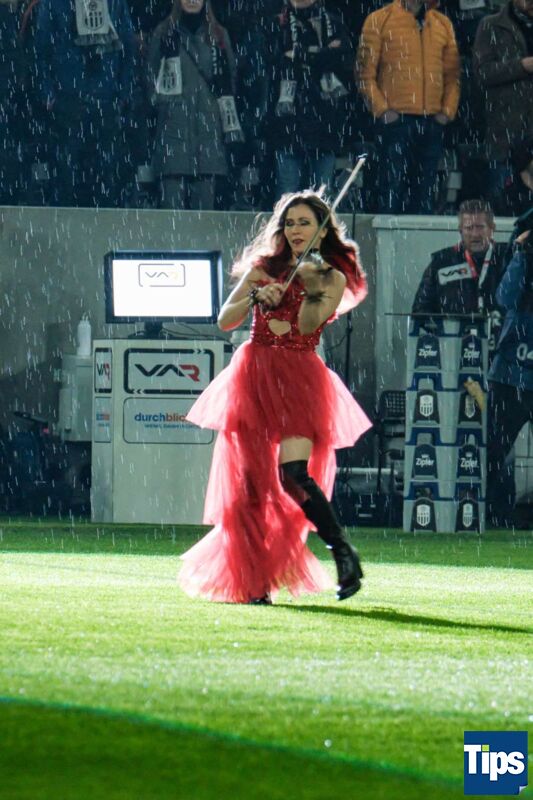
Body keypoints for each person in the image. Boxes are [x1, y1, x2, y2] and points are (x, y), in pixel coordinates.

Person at [178, 190, 372, 604]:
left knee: (293, 474)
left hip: (300, 378)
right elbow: (224, 320)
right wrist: (255, 295)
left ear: (322, 232)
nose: (296, 230)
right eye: (289, 223)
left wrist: (309, 288)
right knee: (249, 485)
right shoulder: (264, 268)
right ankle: (255, 584)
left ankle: (343, 551)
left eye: (305, 223)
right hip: (254, 376)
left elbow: (307, 326)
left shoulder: (330, 278)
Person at [356, 0, 460, 214]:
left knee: (424, 192)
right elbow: (364, 75)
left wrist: (446, 112)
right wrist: (383, 111)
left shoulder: (442, 23)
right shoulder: (379, 20)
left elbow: (453, 76)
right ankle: (389, 235)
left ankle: (418, 235)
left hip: (431, 122)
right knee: (391, 190)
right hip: (395, 123)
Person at [34, 0, 137, 208]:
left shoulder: (115, 3)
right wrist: (49, 96)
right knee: (66, 179)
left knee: (106, 178)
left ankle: (103, 226)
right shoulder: (54, 4)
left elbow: (128, 48)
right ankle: (65, 226)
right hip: (68, 101)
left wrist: (122, 94)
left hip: (105, 101)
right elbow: (41, 51)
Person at [147, 0, 240, 210]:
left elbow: (230, 80)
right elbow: (150, 79)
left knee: (203, 217)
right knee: (171, 219)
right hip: (173, 133)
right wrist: (165, 107)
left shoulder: (218, 35)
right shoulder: (164, 33)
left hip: (208, 136)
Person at [265, 0, 355, 200]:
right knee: (287, 197)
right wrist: (321, 54)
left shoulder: (333, 22)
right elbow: (274, 64)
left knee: (321, 197)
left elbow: (344, 60)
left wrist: (300, 55)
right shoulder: (277, 23)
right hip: (287, 125)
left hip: (325, 123)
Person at [486, 208, 533, 527]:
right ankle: (492, 516)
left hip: (512, 371)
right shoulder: (521, 254)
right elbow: (504, 297)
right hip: (511, 375)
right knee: (493, 451)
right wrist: (522, 253)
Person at [473, 0, 533, 216]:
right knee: (500, 207)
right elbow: (482, 72)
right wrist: (521, 66)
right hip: (505, 130)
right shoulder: (491, 25)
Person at [412, 199, 507, 319]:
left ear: (492, 228)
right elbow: (420, 310)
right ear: (460, 230)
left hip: (500, 331)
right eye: (469, 228)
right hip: (452, 330)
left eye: (480, 227)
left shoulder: (508, 258)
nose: (475, 234)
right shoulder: (442, 261)